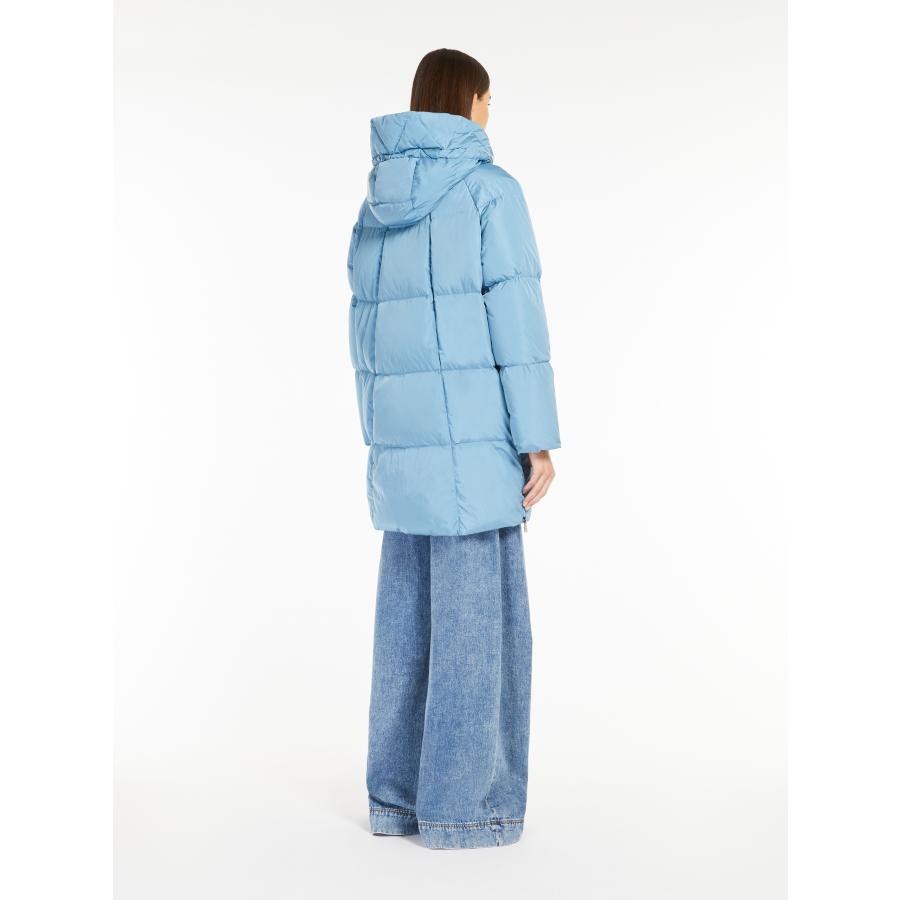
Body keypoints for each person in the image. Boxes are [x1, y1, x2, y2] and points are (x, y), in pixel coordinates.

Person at [346, 48, 561, 849]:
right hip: (473, 455)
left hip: (404, 460)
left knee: (406, 631)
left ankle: (398, 801)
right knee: (481, 635)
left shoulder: (376, 203)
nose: (489, 114)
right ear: (467, 100)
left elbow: (366, 334)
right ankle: (464, 809)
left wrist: (387, 440)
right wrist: (536, 439)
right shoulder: (488, 191)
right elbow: (517, 319)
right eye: (488, 99)